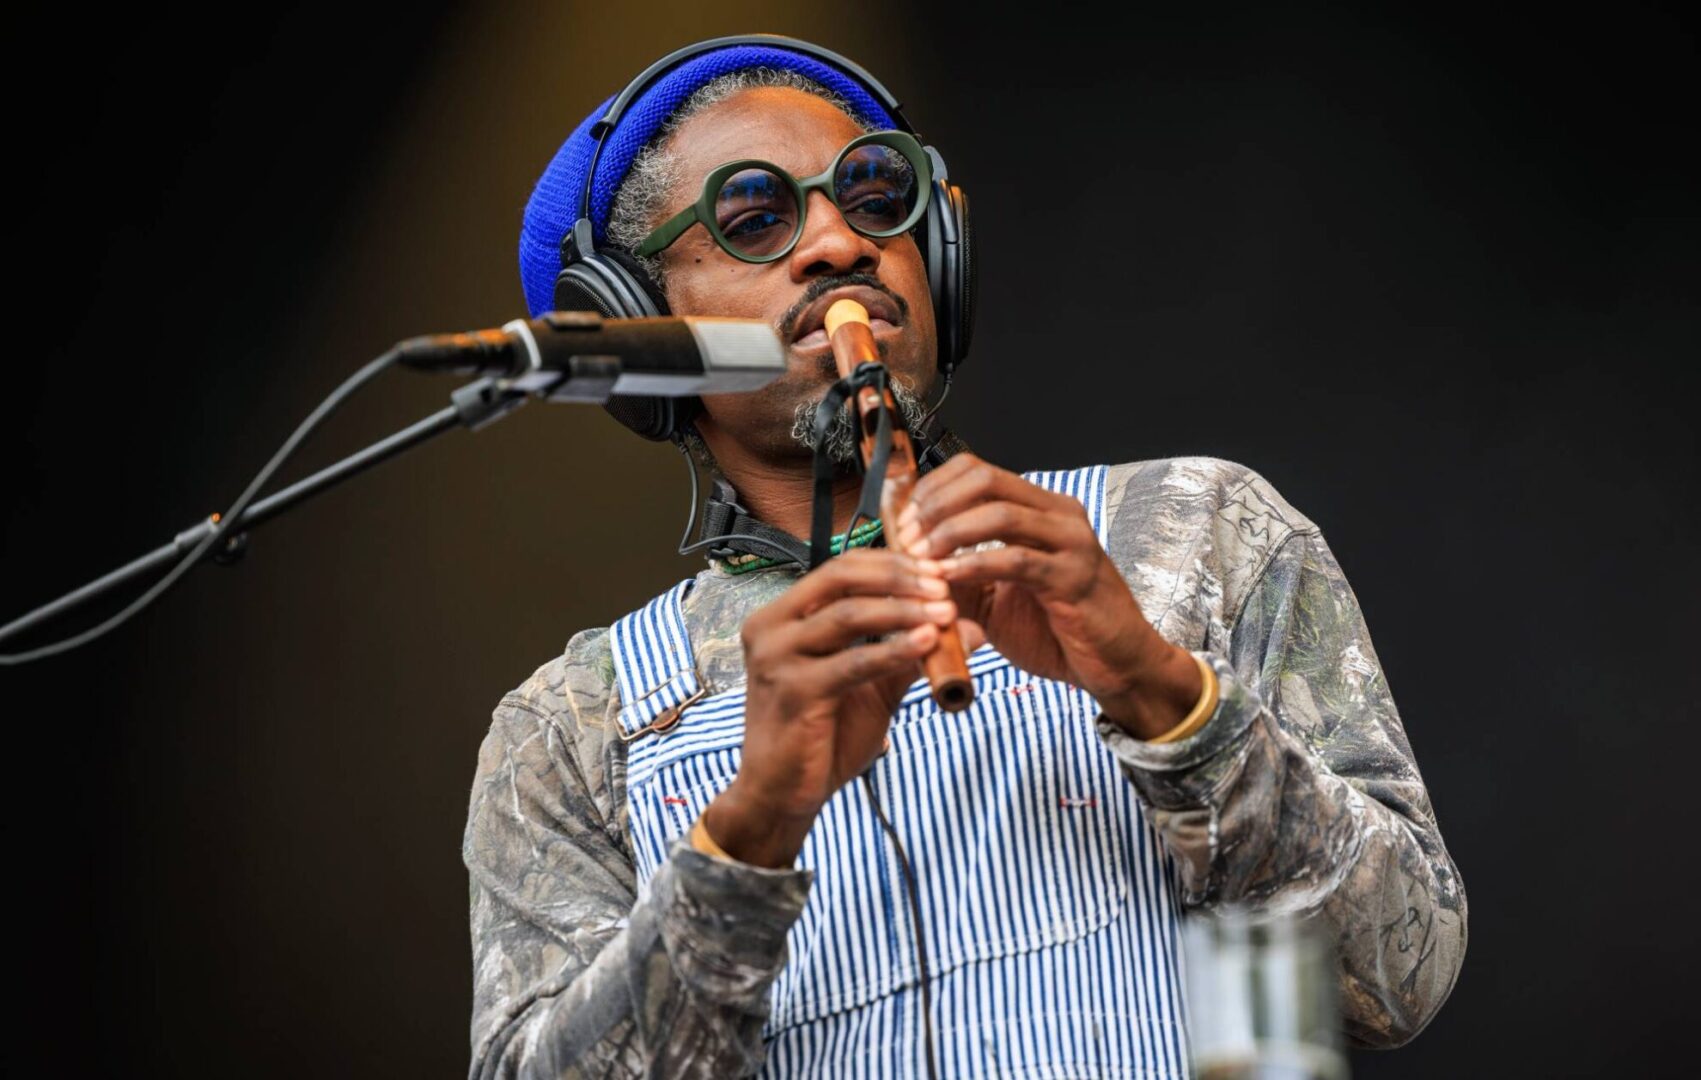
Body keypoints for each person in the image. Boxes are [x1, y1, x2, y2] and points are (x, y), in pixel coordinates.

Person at [463, 35, 1466, 1079]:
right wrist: (749, 831)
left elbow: (1401, 976)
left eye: (875, 195)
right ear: (639, 324)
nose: (840, 245)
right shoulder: (572, 733)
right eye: (755, 218)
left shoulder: (1198, 528)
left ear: (939, 250)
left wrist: (1161, 691)